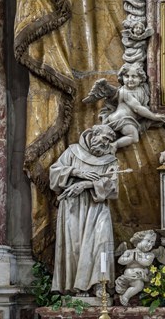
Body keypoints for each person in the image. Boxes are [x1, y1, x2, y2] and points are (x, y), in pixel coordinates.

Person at [50, 124, 120, 296]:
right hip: (73, 206)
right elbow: (54, 175)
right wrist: (77, 172)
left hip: (97, 206)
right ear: (93, 135)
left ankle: (99, 284)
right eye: (104, 138)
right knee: (76, 245)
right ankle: (78, 287)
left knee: (101, 241)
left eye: (110, 141)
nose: (106, 143)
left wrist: (88, 184)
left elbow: (113, 187)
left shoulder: (110, 160)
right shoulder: (73, 152)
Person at [103, 63, 165, 149]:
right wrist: (154, 117)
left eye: (134, 76)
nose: (130, 79)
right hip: (121, 120)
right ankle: (113, 146)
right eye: (127, 76)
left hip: (127, 119)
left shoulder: (141, 88)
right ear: (122, 77)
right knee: (134, 137)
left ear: (141, 79)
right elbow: (137, 108)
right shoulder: (124, 92)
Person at [115, 230, 157, 306]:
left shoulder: (150, 255)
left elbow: (146, 263)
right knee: (139, 284)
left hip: (142, 276)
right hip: (129, 275)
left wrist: (136, 257)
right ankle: (125, 297)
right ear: (138, 240)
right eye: (148, 241)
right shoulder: (129, 252)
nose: (150, 244)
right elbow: (120, 261)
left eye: (152, 242)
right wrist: (130, 258)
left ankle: (125, 296)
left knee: (140, 284)